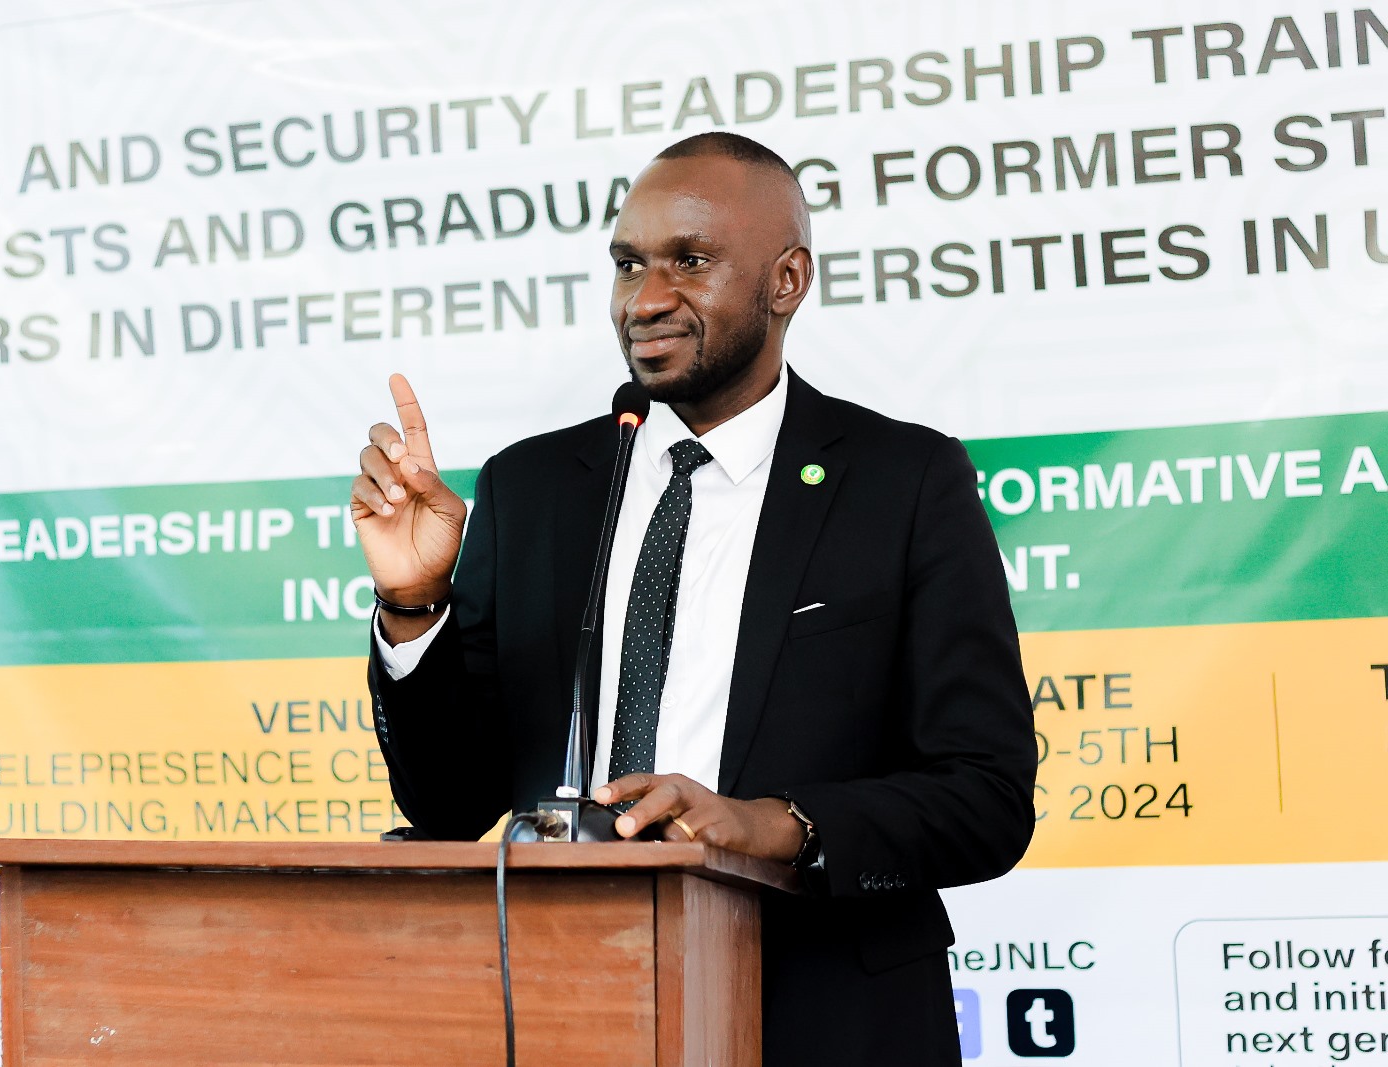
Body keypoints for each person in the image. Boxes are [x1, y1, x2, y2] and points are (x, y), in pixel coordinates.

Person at [352, 131, 1036, 1065]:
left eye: (692, 260)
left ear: (786, 280)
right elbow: (447, 800)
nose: (648, 298)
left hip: (825, 1014)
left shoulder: (902, 482)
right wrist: (416, 605)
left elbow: (985, 795)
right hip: (561, 1006)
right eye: (628, 263)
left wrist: (774, 824)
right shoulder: (536, 488)